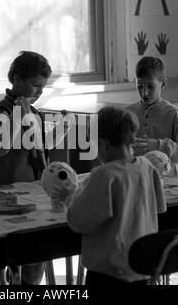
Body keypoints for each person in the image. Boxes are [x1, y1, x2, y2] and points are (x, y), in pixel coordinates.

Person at [54, 106, 166, 285]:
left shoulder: (104, 174)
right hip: (142, 266)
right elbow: (159, 208)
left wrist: (68, 197)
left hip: (110, 272)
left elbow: (79, 221)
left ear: (103, 143)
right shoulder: (146, 167)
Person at [0, 51, 54, 285]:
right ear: (17, 79)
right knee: (17, 259)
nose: (39, 92)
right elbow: (0, 149)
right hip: (8, 197)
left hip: (35, 193)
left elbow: (40, 151)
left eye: (43, 87)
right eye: (36, 85)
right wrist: (19, 118)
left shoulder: (33, 113)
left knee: (36, 264)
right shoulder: (2, 113)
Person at [126, 56, 178, 177]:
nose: (144, 92)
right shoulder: (127, 114)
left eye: (150, 87)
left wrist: (158, 145)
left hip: (167, 180)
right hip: (135, 178)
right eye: (140, 86)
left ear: (163, 83)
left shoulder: (174, 114)